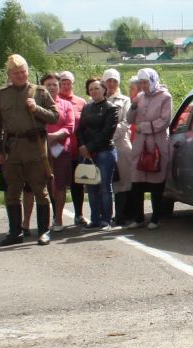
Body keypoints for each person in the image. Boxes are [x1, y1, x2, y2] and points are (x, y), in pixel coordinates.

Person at [0, 56, 59, 245]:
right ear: (9, 75)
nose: (20, 75)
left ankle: (44, 231)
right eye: (16, 73)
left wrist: (36, 109)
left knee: (40, 190)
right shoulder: (2, 94)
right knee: (12, 192)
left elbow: (55, 116)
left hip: (35, 149)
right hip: (12, 149)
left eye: (23, 72)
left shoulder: (40, 92)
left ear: (27, 72)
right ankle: (15, 232)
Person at [127, 67, 173, 228]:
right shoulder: (139, 97)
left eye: (146, 82)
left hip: (157, 143)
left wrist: (144, 127)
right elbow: (129, 119)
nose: (143, 85)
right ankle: (139, 218)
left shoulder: (165, 97)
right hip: (140, 144)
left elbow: (164, 120)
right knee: (137, 182)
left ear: (153, 81)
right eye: (141, 83)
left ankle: (155, 218)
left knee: (156, 183)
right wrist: (132, 107)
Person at [74, 76, 120, 229]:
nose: (94, 91)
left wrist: (90, 147)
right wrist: (82, 146)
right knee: (91, 187)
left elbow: (107, 133)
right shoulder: (86, 108)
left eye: (97, 88)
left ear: (104, 90)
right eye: (91, 89)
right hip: (87, 153)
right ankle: (95, 219)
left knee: (105, 187)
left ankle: (106, 220)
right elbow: (80, 130)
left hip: (105, 152)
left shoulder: (111, 108)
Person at [47, 70, 85, 228]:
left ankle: (78, 214)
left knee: (73, 184)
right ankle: (55, 215)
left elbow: (74, 126)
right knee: (51, 183)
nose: (66, 85)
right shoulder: (42, 102)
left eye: (69, 82)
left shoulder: (79, 102)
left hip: (70, 148)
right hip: (46, 149)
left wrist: (54, 136)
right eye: (63, 83)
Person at [103, 69, 133, 228]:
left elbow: (126, 122)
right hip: (102, 146)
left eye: (114, 80)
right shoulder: (96, 99)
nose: (111, 84)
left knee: (123, 181)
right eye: (108, 80)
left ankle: (121, 216)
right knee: (106, 181)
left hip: (121, 144)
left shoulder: (125, 100)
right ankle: (105, 217)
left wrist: (109, 136)